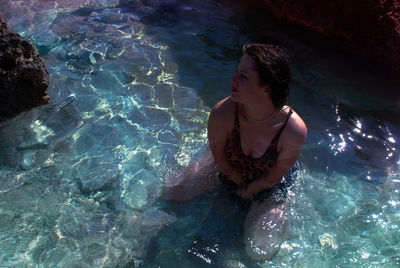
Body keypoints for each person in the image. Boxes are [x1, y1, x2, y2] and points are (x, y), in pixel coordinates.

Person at [162, 43, 307, 261]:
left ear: (266, 87)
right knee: (170, 192)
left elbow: (278, 173)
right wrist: (229, 174)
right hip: (227, 165)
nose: (233, 80)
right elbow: (218, 153)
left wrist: (255, 188)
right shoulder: (224, 112)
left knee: (260, 250)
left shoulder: (293, 130)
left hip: (269, 183)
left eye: (243, 76)